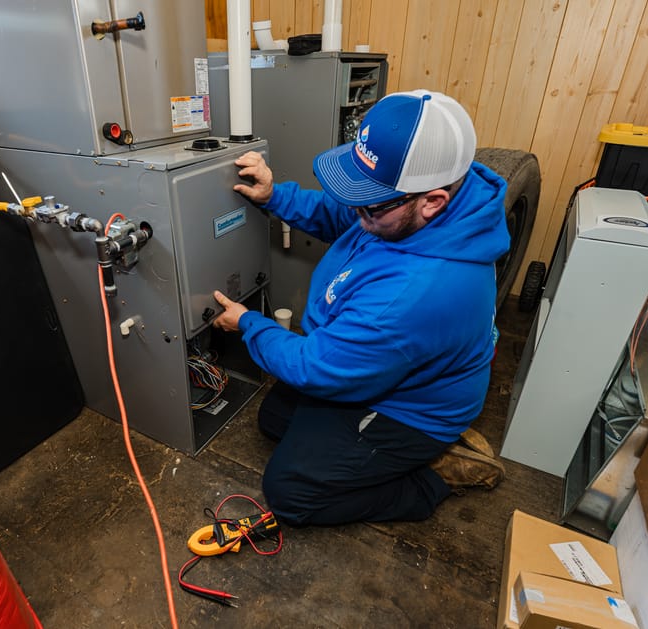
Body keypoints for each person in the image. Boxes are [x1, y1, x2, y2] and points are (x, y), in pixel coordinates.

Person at [211, 89, 509, 526]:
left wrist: (248, 323)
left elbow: (314, 366)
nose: (357, 211)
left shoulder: (413, 294)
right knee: (275, 419)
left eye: (369, 203)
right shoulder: (423, 202)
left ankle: (432, 478)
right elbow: (345, 217)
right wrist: (275, 197)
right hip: (370, 359)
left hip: (409, 409)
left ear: (432, 202)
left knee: (290, 493)